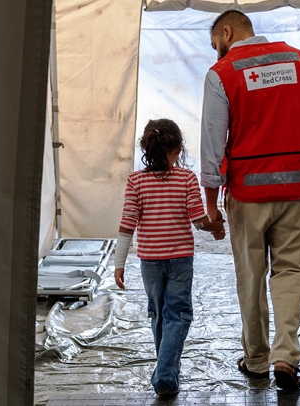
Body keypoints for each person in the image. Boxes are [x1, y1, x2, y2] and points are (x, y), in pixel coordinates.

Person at [199, 10, 300, 391]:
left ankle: (258, 359)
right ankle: (285, 354)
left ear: (227, 32)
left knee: (251, 276)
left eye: (217, 45)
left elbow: (212, 146)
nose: (217, 54)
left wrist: (210, 203)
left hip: (247, 196)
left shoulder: (223, 74)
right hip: (297, 189)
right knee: (292, 272)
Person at [113, 118, 225, 398]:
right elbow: (199, 221)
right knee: (177, 315)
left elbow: (127, 225)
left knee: (158, 315)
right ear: (177, 148)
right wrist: (217, 227)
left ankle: (168, 374)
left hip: (149, 261)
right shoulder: (186, 179)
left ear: (147, 148)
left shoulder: (135, 181)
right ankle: (165, 374)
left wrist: (118, 263)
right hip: (179, 260)